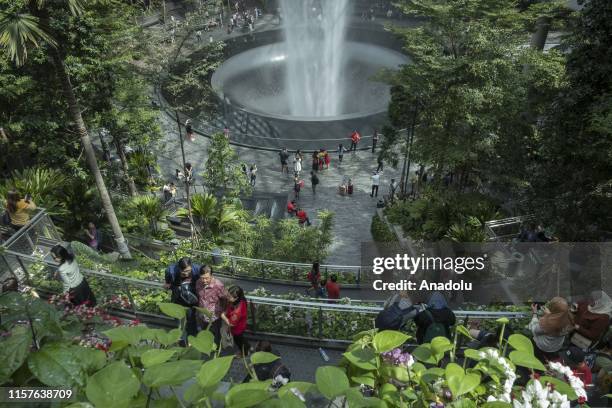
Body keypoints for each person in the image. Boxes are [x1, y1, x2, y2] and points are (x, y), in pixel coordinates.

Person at [165, 257, 202, 342]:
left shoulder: (197, 269)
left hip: (192, 298)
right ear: (179, 268)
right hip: (178, 298)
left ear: (191, 266)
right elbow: (168, 283)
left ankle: (192, 338)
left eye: (188, 271)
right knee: (179, 319)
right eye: (183, 272)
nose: (186, 273)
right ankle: (180, 338)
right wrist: (168, 285)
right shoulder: (171, 271)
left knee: (192, 319)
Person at [196, 265, 226, 346]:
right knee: (205, 332)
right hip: (202, 315)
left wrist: (221, 311)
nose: (204, 280)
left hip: (214, 316)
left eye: (207, 278)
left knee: (216, 333)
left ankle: (216, 348)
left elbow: (224, 298)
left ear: (212, 276)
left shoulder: (218, 285)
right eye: (202, 278)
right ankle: (207, 345)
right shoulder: (198, 282)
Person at [221, 285, 249, 358]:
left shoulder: (237, 311)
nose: (228, 298)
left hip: (237, 329)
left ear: (236, 298)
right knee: (242, 338)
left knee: (239, 341)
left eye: (230, 297)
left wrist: (223, 316)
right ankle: (248, 347)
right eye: (228, 295)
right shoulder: (241, 300)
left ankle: (244, 353)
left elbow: (231, 324)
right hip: (242, 325)